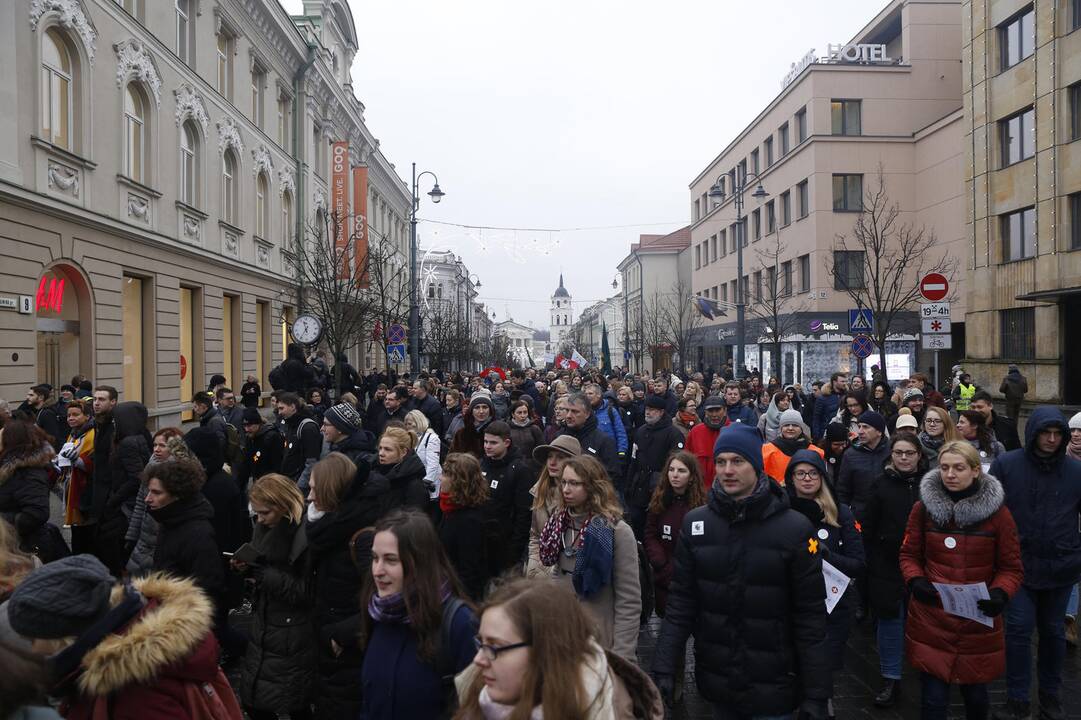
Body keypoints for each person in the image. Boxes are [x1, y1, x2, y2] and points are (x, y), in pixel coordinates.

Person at [650, 424, 830, 719]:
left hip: (775, 682)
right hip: (720, 680)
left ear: (756, 466)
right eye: (721, 462)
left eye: (737, 461)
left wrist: (817, 693)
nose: (727, 470)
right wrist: (664, 664)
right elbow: (681, 601)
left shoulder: (794, 528)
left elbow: (810, 615)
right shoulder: (697, 525)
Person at [7, 554, 242, 720]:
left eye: (32, 638)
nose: (31, 649)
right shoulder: (130, 642)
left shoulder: (135, 694)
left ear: (62, 635)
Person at [899, 440, 1023, 720]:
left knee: (976, 699)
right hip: (932, 618)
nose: (950, 474)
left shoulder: (999, 515)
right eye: (944, 468)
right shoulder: (923, 510)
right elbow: (908, 554)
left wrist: (1000, 593)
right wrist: (915, 580)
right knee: (933, 700)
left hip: (977, 621)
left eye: (958, 468)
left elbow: (1011, 567)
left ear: (976, 470)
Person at [453, 577, 663, 719]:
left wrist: (624, 648)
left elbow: (629, 598)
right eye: (481, 643)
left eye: (496, 647)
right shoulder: (476, 692)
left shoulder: (609, 710)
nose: (478, 660)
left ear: (544, 651)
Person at [989, 407, 1081, 720]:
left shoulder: (1075, 471)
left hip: (1061, 565)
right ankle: (1017, 699)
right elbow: (990, 513)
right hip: (1018, 566)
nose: (1052, 440)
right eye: (1046, 433)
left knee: (1054, 633)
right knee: (1017, 630)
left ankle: (1050, 696)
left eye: (1058, 435)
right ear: (1034, 433)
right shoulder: (1006, 465)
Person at [359, 510, 478, 720]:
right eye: (375, 558)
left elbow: (475, 708)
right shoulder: (377, 613)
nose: (377, 570)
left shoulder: (459, 624)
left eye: (390, 560)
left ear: (418, 563)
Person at [784, 449, 865, 720]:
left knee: (822, 671)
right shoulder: (781, 513)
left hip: (832, 609)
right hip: (791, 607)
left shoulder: (841, 513)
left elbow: (858, 564)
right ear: (791, 477)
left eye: (813, 473)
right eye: (800, 474)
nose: (807, 479)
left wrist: (829, 556)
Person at [305, 452, 386, 720]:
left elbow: (385, 598)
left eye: (315, 489)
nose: (309, 497)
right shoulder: (330, 528)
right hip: (330, 654)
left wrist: (340, 635)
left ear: (331, 490)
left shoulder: (361, 538)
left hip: (349, 654)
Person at [537, 455, 641, 660]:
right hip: (563, 636)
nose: (566, 489)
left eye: (574, 483)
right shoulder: (560, 523)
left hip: (600, 640)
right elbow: (558, 576)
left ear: (593, 486)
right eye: (564, 482)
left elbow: (628, 601)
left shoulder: (616, 531)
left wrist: (623, 656)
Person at [235, 474, 315, 720]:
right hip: (266, 625)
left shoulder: (305, 536)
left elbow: (308, 592)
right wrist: (248, 570)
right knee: (258, 700)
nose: (259, 519)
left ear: (283, 506)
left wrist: (265, 575)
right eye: (257, 513)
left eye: (265, 513)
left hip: (294, 632)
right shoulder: (263, 529)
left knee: (293, 703)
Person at [862, 434, 929, 707]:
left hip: (925, 565)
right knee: (890, 621)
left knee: (925, 620)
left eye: (909, 453)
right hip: (887, 563)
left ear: (918, 455)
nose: (903, 457)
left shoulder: (930, 485)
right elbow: (868, 525)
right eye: (899, 452)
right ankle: (891, 676)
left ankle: (926, 669)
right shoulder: (880, 485)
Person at [145, 458, 226, 606]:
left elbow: (207, 591)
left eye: (156, 493)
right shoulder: (168, 521)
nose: (148, 499)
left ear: (177, 495)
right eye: (149, 491)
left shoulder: (198, 535)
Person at [644, 451, 706, 618]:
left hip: (692, 578)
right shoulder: (659, 501)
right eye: (671, 470)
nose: (675, 475)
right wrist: (660, 562)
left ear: (692, 476)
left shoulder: (701, 506)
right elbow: (650, 533)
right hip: (664, 577)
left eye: (681, 471)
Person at [125, 428, 189, 577]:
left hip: (162, 536)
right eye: (154, 445)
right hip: (144, 537)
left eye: (162, 445)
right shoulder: (150, 466)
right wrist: (132, 535)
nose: (156, 450)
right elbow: (141, 503)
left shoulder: (182, 472)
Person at [625, 395, 686, 538]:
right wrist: (629, 486)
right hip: (639, 489)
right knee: (638, 527)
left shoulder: (673, 434)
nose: (648, 412)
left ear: (661, 412)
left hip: (660, 490)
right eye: (647, 409)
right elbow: (633, 460)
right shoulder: (640, 432)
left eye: (652, 410)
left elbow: (676, 463)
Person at [478, 421, 534, 575]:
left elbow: (524, 514)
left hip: (505, 544)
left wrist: (514, 551)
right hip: (482, 542)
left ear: (507, 442)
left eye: (493, 443)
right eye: (485, 442)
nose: (487, 446)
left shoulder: (521, 470)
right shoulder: (482, 464)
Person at [525, 436, 582, 579]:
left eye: (560, 457)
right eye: (550, 456)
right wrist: (534, 565)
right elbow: (535, 535)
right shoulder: (540, 491)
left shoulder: (579, 498)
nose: (552, 462)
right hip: (540, 572)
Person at [438, 453, 491, 601]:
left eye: (446, 474)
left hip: (458, 598)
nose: (440, 478)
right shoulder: (449, 509)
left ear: (459, 481)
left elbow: (469, 571)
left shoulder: (470, 520)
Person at [0, 422, 52, 560]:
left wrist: (3, 524)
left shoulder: (28, 473)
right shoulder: (10, 469)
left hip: (25, 549)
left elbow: (37, 513)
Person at [836, 410, 890, 522]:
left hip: (888, 515)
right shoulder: (850, 455)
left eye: (865, 427)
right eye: (859, 426)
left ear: (879, 431)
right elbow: (843, 490)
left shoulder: (893, 451)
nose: (860, 431)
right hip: (860, 517)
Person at [57, 400, 95, 555]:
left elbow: (93, 462)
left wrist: (77, 461)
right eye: (68, 415)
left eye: (75, 415)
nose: (70, 418)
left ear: (86, 416)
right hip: (71, 485)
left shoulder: (92, 434)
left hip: (84, 490)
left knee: (84, 533)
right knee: (76, 530)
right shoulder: (73, 434)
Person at [558, 393, 622, 483]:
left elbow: (612, 475)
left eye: (575, 411)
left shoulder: (603, 441)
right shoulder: (560, 437)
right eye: (567, 410)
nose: (568, 415)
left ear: (587, 414)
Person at [761, 408, 823, 486]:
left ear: (801, 428)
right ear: (781, 428)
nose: (790, 428)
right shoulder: (766, 450)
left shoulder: (816, 452)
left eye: (795, 425)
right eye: (786, 425)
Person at [276, 391, 322, 491]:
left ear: (292, 407)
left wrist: (299, 487)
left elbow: (311, 462)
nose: (279, 412)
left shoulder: (307, 427)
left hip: (299, 486)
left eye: (281, 408)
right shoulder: (291, 425)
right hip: (290, 482)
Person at [236, 406, 284, 490]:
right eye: (244, 426)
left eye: (250, 425)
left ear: (258, 423)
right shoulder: (250, 438)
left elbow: (277, 465)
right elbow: (248, 461)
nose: (246, 429)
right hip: (258, 481)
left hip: (271, 484)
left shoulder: (271, 437)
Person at [685, 396, 729, 486]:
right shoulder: (695, 432)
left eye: (717, 410)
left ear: (725, 411)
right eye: (710, 411)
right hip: (701, 490)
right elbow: (686, 461)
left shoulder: (735, 431)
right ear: (705, 412)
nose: (714, 414)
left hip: (728, 490)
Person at [322, 402, 377, 468]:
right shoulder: (338, 447)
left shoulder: (358, 460)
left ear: (340, 428)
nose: (322, 429)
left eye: (326, 424)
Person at [19, 384, 65, 452]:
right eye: (28, 395)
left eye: (31, 395)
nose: (27, 397)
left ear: (41, 397)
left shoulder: (46, 413)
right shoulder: (41, 411)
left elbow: (53, 437)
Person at [451, 393, 494, 459]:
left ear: (490, 410)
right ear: (471, 411)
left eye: (485, 407)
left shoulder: (497, 432)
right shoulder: (462, 434)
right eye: (477, 407)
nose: (481, 411)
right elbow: (452, 459)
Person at [813, 372, 847, 441]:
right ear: (834, 382)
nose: (845, 383)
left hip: (844, 433)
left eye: (845, 381)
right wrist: (817, 437)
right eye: (842, 381)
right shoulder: (823, 398)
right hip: (827, 433)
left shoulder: (847, 396)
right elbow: (816, 418)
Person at [821, 421, 849, 491]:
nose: (841, 448)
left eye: (843, 444)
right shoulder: (820, 455)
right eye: (836, 444)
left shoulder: (851, 454)